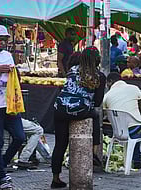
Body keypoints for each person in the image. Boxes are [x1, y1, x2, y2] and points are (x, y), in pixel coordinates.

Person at [51, 46, 106, 189]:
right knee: (95, 115)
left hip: (60, 108)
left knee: (59, 145)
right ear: (98, 59)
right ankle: (94, 152)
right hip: (80, 109)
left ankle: (55, 178)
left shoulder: (72, 70)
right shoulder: (99, 75)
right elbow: (98, 102)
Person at [0, 25, 25, 190]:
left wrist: (15, 73)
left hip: (10, 102)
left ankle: (0, 166)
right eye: (0, 39)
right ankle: (3, 178)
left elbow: (14, 77)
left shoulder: (8, 55)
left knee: (19, 137)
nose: (3, 42)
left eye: (5, 39)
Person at [103, 72, 141, 169]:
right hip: (135, 130)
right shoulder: (134, 88)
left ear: (110, 82)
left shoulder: (107, 96)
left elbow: (105, 114)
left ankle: (135, 159)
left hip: (118, 132)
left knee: (132, 127)